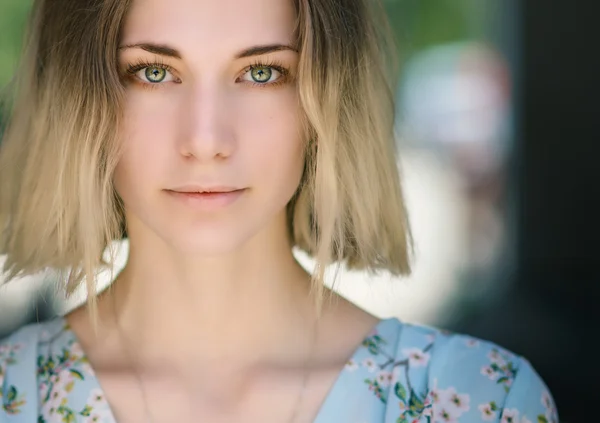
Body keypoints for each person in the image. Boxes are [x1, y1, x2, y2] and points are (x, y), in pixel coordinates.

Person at [0, 0, 558, 422]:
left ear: (327, 101)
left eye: (261, 72)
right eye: (152, 72)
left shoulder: (477, 402)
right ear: (81, 99)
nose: (206, 139)